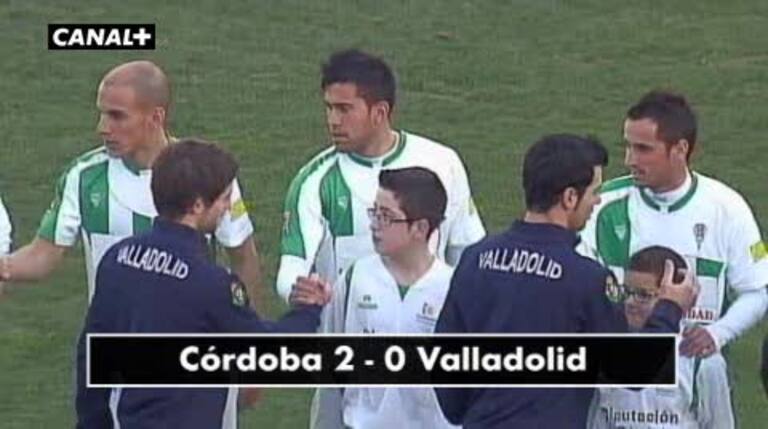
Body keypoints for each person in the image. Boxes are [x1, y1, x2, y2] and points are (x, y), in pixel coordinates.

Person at [0, 60, 265, 412]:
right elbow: (43, 254)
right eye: (102, 114)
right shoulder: (85, 177)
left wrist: (253, 357)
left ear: (155, 117)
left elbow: (243, 258)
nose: (102, 128)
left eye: (117, 116)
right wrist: (4, 267)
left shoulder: (205, 174)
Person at [434, 134, 698, 428]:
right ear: (570, 197)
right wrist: (670, 308)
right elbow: (632, 369)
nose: (597, 200)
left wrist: (467, 414)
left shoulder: (475, 259)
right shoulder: (587, 278)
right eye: (594, 191)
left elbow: (446, 357)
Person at [75, 139, 329, 428]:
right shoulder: (211, 283)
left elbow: (90, 353)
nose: (226, 208)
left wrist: (91, 422)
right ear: (197, 206)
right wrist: (309, 310)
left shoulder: (117, 259)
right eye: (223, 199)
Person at [276, 49, 485, 303]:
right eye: (329, 108)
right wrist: (302, 291)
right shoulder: (314, 181)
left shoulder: (444, 164)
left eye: (344, 109)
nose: (333, 121)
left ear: (380, 113)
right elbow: (292, 268)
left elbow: (468, 252)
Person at [580, 90, 768, 359]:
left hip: (701, 372)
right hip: (621, 371)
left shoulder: (727, 208)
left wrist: (718, 333)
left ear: (680, 149)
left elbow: (757, 291)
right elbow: (573, 290)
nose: (630, 160)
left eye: (643, 149)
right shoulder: (603, 205)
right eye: (628, 147)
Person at [316, 167, 457, 429]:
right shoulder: (355, 278)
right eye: (374, 213)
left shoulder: (452, 289)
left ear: (420, 228)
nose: (374, 224)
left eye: (386, 217)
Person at [590, 246, 735, 428]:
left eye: (643, 295)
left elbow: (720, 424)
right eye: (626, 292)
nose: (630, 302)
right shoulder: (609, 350)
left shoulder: (701, 360)